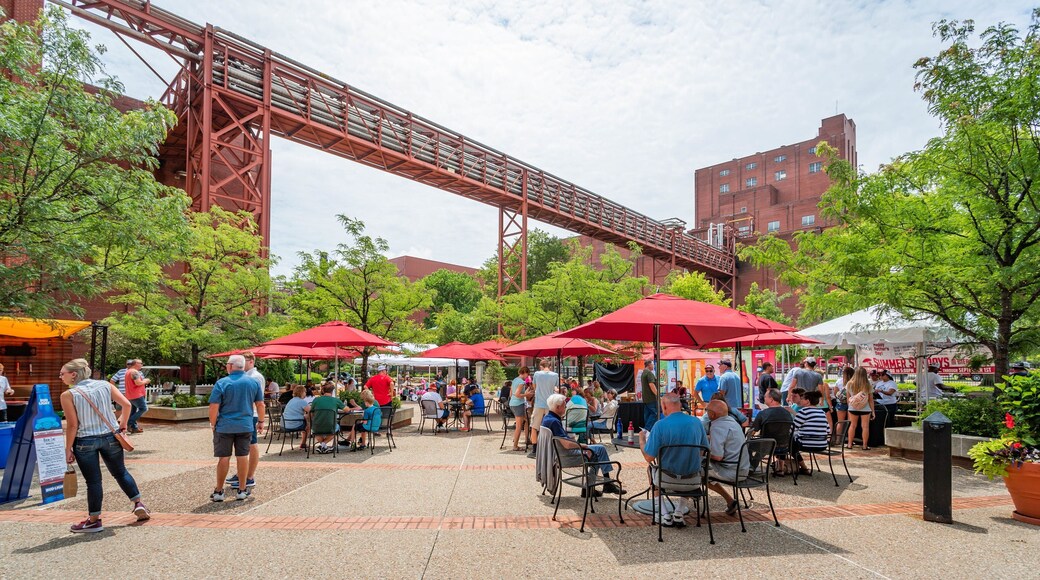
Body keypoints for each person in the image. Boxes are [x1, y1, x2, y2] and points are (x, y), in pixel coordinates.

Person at [59, 358, 150, 533]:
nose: (60, 377)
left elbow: (72, 425)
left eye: (62, 374)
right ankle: (138, 503)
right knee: (121, 472)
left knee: (93, 481)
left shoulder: (68, 395)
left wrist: (68, 448)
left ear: (73, 374)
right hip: (110, 436)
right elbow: (126, 404)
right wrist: (123, 424)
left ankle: (94, 520)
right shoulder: (105, 385)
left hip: (85, 440)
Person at [639, 392, 708, 527]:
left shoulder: (660, 425)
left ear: (664, 407)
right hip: (693, 480)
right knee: (688, 464)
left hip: (666, 479)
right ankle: (679, 511)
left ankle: (664, 514)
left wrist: (642, 440)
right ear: (680, 405)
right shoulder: (696, 422)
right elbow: (703, 449)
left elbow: (649, 457)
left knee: (650, 469)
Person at [542, 394, 623, 496]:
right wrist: (582, 445)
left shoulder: (547, 418)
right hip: (567, 457)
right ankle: (596, 487)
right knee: (599, 451)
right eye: (564, 406)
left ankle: (598, 486)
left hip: (557, 455)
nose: (566, 407)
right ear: (558, 407)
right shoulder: (554, 422)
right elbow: (567, 445)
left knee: (598, 451)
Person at [208, 355, 265, 502]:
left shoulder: (222, 383)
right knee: (242, 456)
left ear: (231, 366)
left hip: (224, 426)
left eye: (227, 364)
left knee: (224, 457)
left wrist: (213, 423)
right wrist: (261, 421)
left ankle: (219, 491)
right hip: (245, 425)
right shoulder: (253, 382)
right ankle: (242, 489)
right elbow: (260, 404)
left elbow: (214, 406)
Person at [704, 399, 749, 516]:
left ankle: (682, 506)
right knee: (702, 468)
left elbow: (717, 457)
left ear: (712, 414)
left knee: (696, 470)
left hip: (731, 471)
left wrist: (702, 453)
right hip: (743, 468)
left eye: (707, 410)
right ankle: (730, 501)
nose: (706, 413)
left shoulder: (717, 426)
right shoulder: (732, 422)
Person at [749, 388, 794, 475]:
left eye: (765, 397)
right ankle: (779, 468)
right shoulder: (787, 413)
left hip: (767, 446)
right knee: (768, 442)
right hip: (784, 446)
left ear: (771, 399)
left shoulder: (763, 413)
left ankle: (751, 466)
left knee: (748, 444)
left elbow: (753, 431)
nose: (764, 398)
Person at [791, 390, 830, 476]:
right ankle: (801, 467)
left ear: (807, 401)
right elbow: (828, 430)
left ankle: (802, 467)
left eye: (802, 399)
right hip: (822, 445)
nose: (801, 400)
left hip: (807, 444)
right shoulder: (822, 412)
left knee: (789, 443)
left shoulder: (803, 411)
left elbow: (792, 428)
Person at [529, 358, 559, 458]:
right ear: (550, 366)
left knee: (534, 426)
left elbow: (534, 387)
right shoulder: (555, 375)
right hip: (550, 404)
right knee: (550, 426)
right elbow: (556, 388)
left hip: (539, 403)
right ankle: (549, 448)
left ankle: (535, 450)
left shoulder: (537, 374)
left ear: (541, 366)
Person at [845, 367, 875, 450]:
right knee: (865, 427)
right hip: (865, 408)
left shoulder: (849, 384)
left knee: (852, 426)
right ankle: (865, 445)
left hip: (852, 408)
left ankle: (849, 444)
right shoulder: (868, 384)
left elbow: (848, 398)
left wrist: (850, 406)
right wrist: (873, 411)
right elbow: (871, 400)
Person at [309, 383, 345, 453]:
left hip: (316, 426)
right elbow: (347, 410)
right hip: (330, 426)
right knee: (336, 428)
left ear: (323, 391)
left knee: (316, 432)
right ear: (332, 391)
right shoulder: (336, 400)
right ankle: (323, 445)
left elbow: (311, 412)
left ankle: (323, 446)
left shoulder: (316, 400)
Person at [122, 359, 150, 434]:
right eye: (141, 363)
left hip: (130, 395)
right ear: (136, 363)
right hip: (136, 395)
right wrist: (146, 381)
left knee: (133, 411)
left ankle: (134, 428)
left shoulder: (128, 371)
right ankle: (129, 422)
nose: (142, 365)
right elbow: (138, 383)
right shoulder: (134, 372)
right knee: (144, 408)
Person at [508, 366, 532, 451]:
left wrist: (524, 393)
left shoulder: (515, 380)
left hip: (512, 403)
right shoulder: (521, 382)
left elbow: (511, 393)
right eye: (527, 374)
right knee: (518, 426)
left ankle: (527, 439)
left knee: (527, 420)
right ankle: (515, 446)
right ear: (525, 372)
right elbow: (517, 394)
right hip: (518, 404)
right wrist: (526, 395)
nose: (527, 376)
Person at [640, 359, 660, 431]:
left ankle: (647, 431)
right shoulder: (649, 373)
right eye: (652, 364)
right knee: (654, 413)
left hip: (645, 398)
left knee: (647, 415)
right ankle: (647, 429)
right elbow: (651, 385)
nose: (653, 366)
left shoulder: (643, 373)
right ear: (649, 365)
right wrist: (658, 395)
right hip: (651, 398)